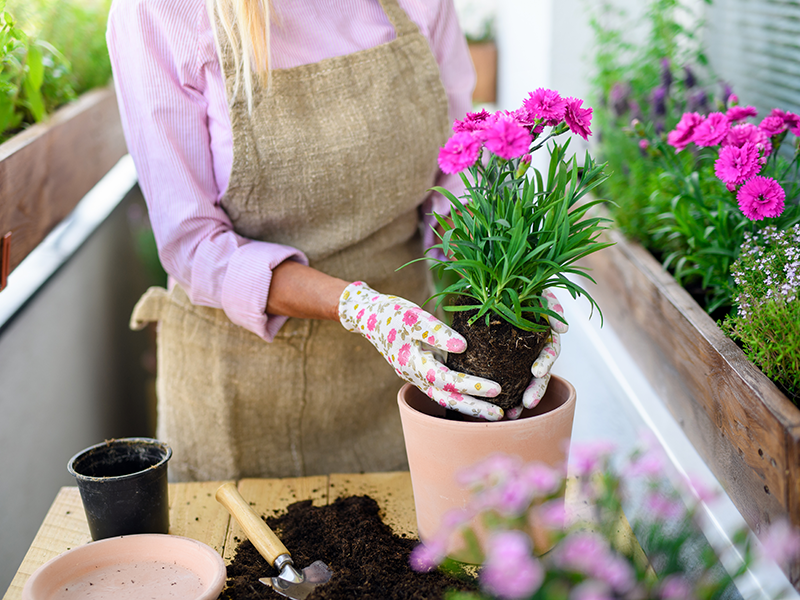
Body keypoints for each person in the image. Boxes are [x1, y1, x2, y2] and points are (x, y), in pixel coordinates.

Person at [108, 0, 566, 482]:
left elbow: (452, 175)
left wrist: (510, 283)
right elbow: (193, 245)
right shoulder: (160, 13)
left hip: (405, 378)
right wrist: (359, 308)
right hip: (244, 402)